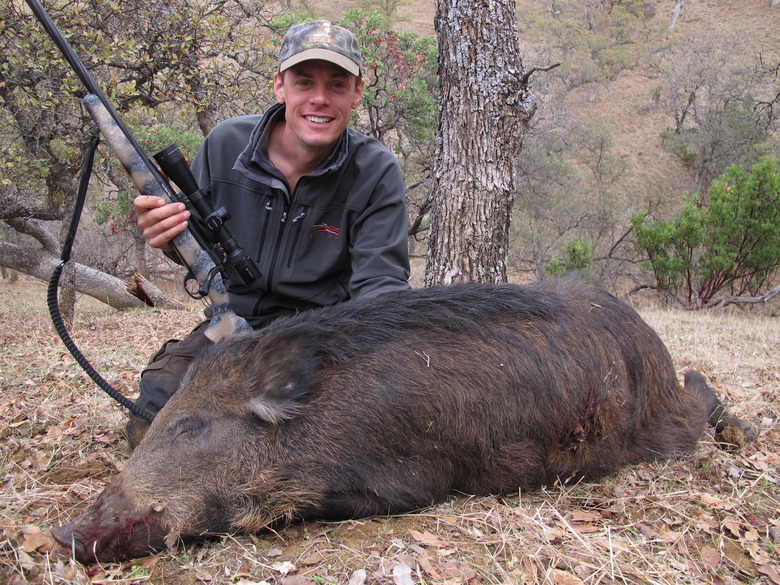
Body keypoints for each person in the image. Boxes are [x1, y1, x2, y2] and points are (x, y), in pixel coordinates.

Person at [126, 20, 411, 447]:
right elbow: (199, 249)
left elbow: (381, 288)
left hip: (326, 336)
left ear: (357, 92)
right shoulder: (225, 144)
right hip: (230, 327)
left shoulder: (376, 170)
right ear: (280, 86)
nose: (320, 99)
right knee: (152, 425)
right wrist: (168, 237)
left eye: (337, 84)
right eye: (304, 82)